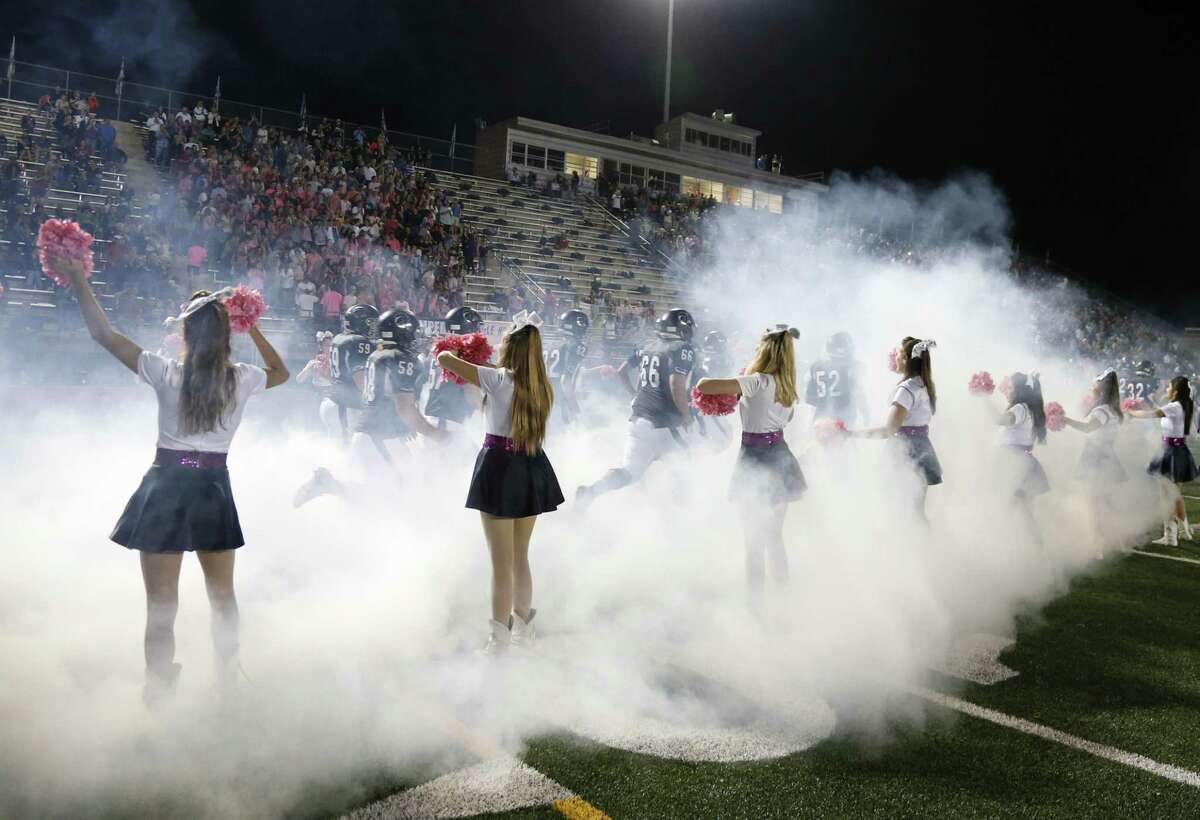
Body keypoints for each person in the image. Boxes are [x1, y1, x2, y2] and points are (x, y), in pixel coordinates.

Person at [58, 258, 288, 706]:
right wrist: (252, 327)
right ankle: (227, 683)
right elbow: (281, 371)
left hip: (165, 486)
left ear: (185, 334)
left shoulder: (165, 371)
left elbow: (104, 335)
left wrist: (79, 278)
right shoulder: (243, 378)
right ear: (227, 336)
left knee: (161, 606)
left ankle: (158, 693)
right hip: (212, 487)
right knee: (222, 597)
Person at [437, 311, 563, 653]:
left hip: (500, 468)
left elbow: (444, 358)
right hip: (532, 464)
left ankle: (498, 642)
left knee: (500, 563)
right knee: (521, 557)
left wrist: (461, 348)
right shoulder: (542, 386)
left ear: (510, 347)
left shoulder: (497, 379)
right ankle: (523, 632)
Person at [696, 326, 805, 598]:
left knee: (753, 542)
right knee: (775, 537)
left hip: (755, 458)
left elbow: (703, 385)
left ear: (765, 350)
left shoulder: (756, 381)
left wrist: (739, 379)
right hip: (780, 456)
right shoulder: (787, 387)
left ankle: (755, 607)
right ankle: (786, 600)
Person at [576, 308, 696, 509]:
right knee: (684, 470)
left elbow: (622, 371)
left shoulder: (647, 346)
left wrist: (634, 394)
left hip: (638, 420)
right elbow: (676, 385)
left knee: (629, 471)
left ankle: (592, 491)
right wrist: (687, 416)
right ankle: (682, 516)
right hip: (665, 423)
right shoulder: (681, 348)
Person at [849, 337, 942, 519]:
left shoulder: (907, 389)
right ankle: (923, 538)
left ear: (906, 359)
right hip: (921, 446)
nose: (894, 356)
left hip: (905, 451)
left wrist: (851, 433)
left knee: (899, 511)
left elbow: (888, 430)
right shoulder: (922, 384)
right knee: (915, 512)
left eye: (898, 353)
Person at [1126, 376, 1198, 546]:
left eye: (1169, 387)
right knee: (1175, 494)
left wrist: (1130, 413)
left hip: (1171, 451)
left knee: (1167, 495)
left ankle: (1171, 536)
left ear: (1176, 391)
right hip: (1179, 449)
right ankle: (1183, 531)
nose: (1166, 389)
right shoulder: (1185, 405)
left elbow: (1151, 414)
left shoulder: (1174, 406)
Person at [1062, 368, 1126, 553]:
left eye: (1095, 383)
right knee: (1105, 501)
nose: (1092, 386)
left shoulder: (1102, 410)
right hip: (1106, 454)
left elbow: (1088, 428)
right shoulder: (1111, 409)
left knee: (1095, 502)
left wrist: (1065, 420)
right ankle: (1116, 539)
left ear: (1102, 388)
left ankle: (1098, 544)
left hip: (1096, 456)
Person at [990, 372, 1050, 540]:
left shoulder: (1020, 408)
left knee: (1014, 509)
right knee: (1023, 511)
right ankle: (1032, 546)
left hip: (1015, 464)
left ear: (1019, 391)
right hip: (1022, 463)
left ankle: (1028, 546)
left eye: (1010, 388)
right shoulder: (1027, 409)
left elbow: (1001, 420)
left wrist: (984, 398)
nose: (1007, 391)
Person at [422, 306, 484, 432]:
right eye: (476, 326)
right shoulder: (464, 352)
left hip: (434, 416)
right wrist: (487, 414)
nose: (478, 331)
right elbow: (471, 392)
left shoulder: (438, 349)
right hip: (446, 421)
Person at [325, 304, 378, 441]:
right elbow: (360, 379)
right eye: (370, 322)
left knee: (337, 446)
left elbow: (331, 374)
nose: (374, 326)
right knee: (348, 447)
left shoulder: (338, 337)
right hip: (346, 405)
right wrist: (375, 402)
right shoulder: (359, 341)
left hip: (334, 401)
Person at [806, 331, 868, 426]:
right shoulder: (853, 367)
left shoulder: (816, 366)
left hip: (820, 419)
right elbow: (859, 393)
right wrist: (866, 414)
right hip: (844, 419)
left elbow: (809, 399)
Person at [544, 309, 590, 424]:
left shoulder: (548, 343)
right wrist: (574, 408)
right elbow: (565, 380)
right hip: (556, 404)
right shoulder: (576, 346)